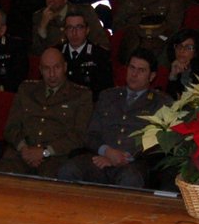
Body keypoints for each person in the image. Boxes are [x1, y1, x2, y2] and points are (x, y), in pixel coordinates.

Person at [57, 49, 167, 189]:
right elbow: (91, 134)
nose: (134, 74)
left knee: (130, 179)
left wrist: (124, 157)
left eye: (141, 70)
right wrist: (107, 151)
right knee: (69, 169)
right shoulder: (108, 96)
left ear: (151, 76)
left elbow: (158, 143)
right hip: (99, 157)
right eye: (132, 68)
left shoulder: (160, 103)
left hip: (133, 163)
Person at [0, 48, 93, 178]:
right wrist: (23, 148)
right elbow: (11, 127)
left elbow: (79, 135)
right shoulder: (26, 89)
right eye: (46, 69)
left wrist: (45, 152)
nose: (52, 74)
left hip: (55, 159)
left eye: (56, 67)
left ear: (65, 67)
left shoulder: (81, 95)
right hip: (20, 156)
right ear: (40, 70)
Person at [162, 28, 199, 98]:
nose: (182, 50)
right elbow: (169, 98)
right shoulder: (176, 64)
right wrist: (173, 75)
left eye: (188, 47)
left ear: (196, 51)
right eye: (179, 46)